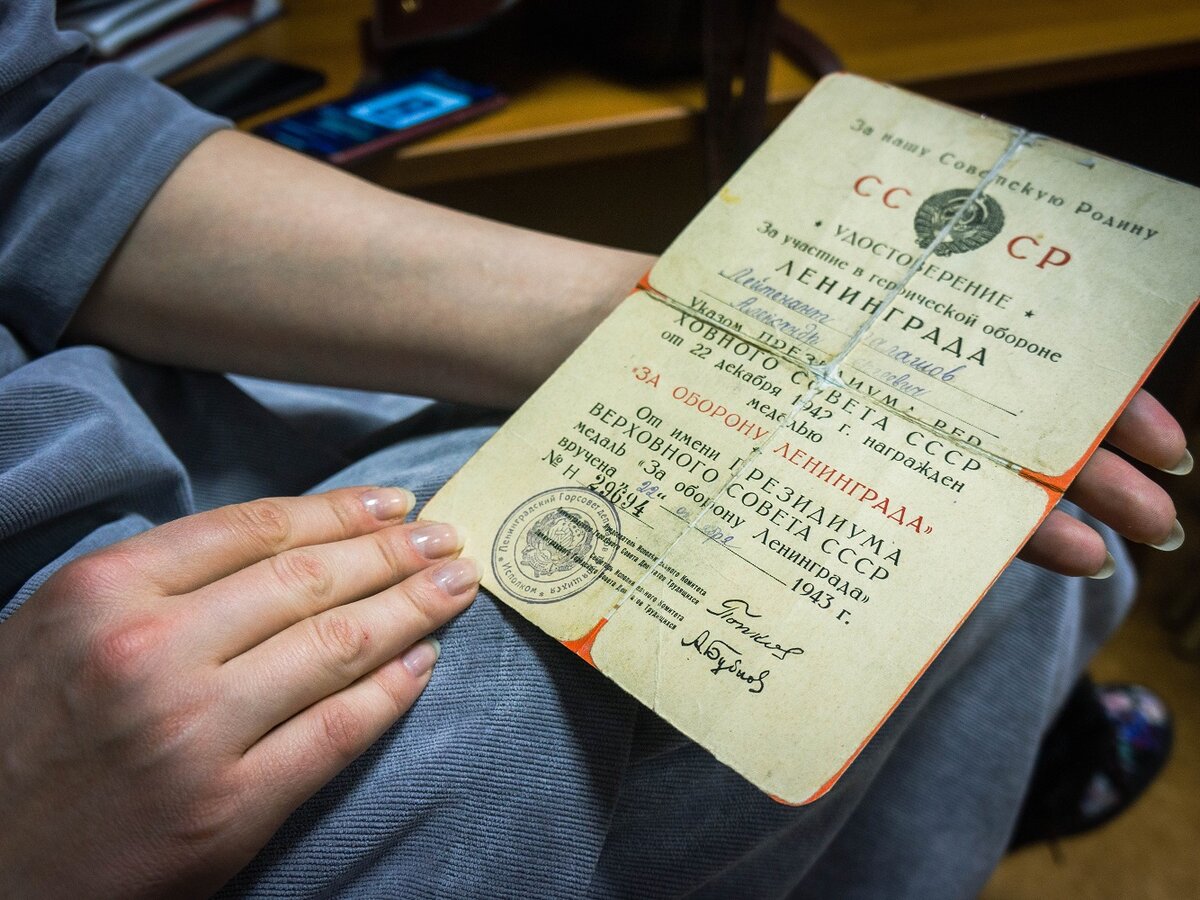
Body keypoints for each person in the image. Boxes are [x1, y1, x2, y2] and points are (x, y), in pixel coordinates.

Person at [0, 3, 1190, 897]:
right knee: (492, 725)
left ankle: (976, 755)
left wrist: (668, 314)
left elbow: (41, 148)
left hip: (88, 390)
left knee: (983, 508)